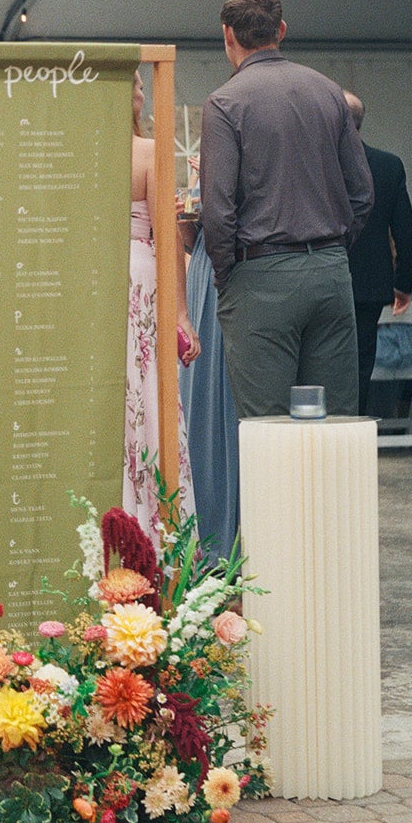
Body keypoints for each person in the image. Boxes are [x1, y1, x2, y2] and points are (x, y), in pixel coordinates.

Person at [200, 0, 373, 420]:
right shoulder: (329, 92)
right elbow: (361, 192)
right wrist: (332, 248)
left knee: (267, 427)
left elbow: (217, 209)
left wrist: (227, 275)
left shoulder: (224, 103)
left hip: (259, 274)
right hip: (329, 271)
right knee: (335, 422)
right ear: (281, 29)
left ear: (227, 35)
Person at [124, 71, 196, 530]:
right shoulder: (148, 151)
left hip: (97, 281)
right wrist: (182, 314)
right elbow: (167, 234)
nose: (141, 90)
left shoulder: (84, 154)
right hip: (139, 275)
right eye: (135, 83)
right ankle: (157, 527)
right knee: (149, 393)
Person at [178, 157, 238, 562]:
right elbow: (189, 239)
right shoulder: (206, 167)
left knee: (227, 399)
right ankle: (205, 530)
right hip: (204, 268)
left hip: (232, 271)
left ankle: (229, 533)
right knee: (200, 399)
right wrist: (185, 214)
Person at [342, 93, 412, 417]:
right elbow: (405, 231)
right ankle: (354, 432)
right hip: (369, 282)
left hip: (316, 278)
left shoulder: (313, 163)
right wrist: (403, 284)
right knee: (360, 367)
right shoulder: (388, 165)